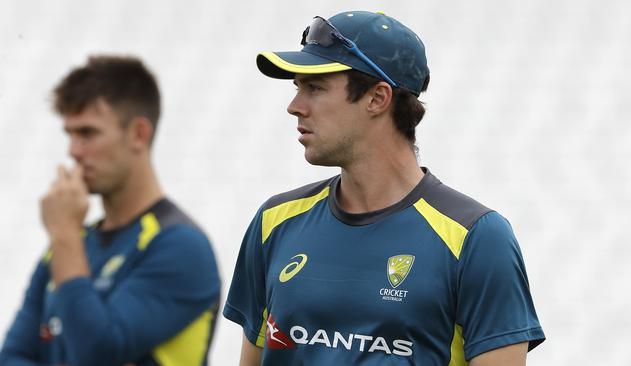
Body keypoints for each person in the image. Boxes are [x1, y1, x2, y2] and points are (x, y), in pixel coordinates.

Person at [224, 11, 545, 365]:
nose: (294, 106)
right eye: (297, 87)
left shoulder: (476, 237)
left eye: (314, 88)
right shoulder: (275, 221)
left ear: (377, 98)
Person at [0, 56, 221, 366]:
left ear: (138, 134)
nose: (73, 151)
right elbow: (12, 356)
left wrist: (64, 234)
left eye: (87, 133)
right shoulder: (66, 249)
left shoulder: (181, 246)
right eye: (70, 134)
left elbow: (96, 352)